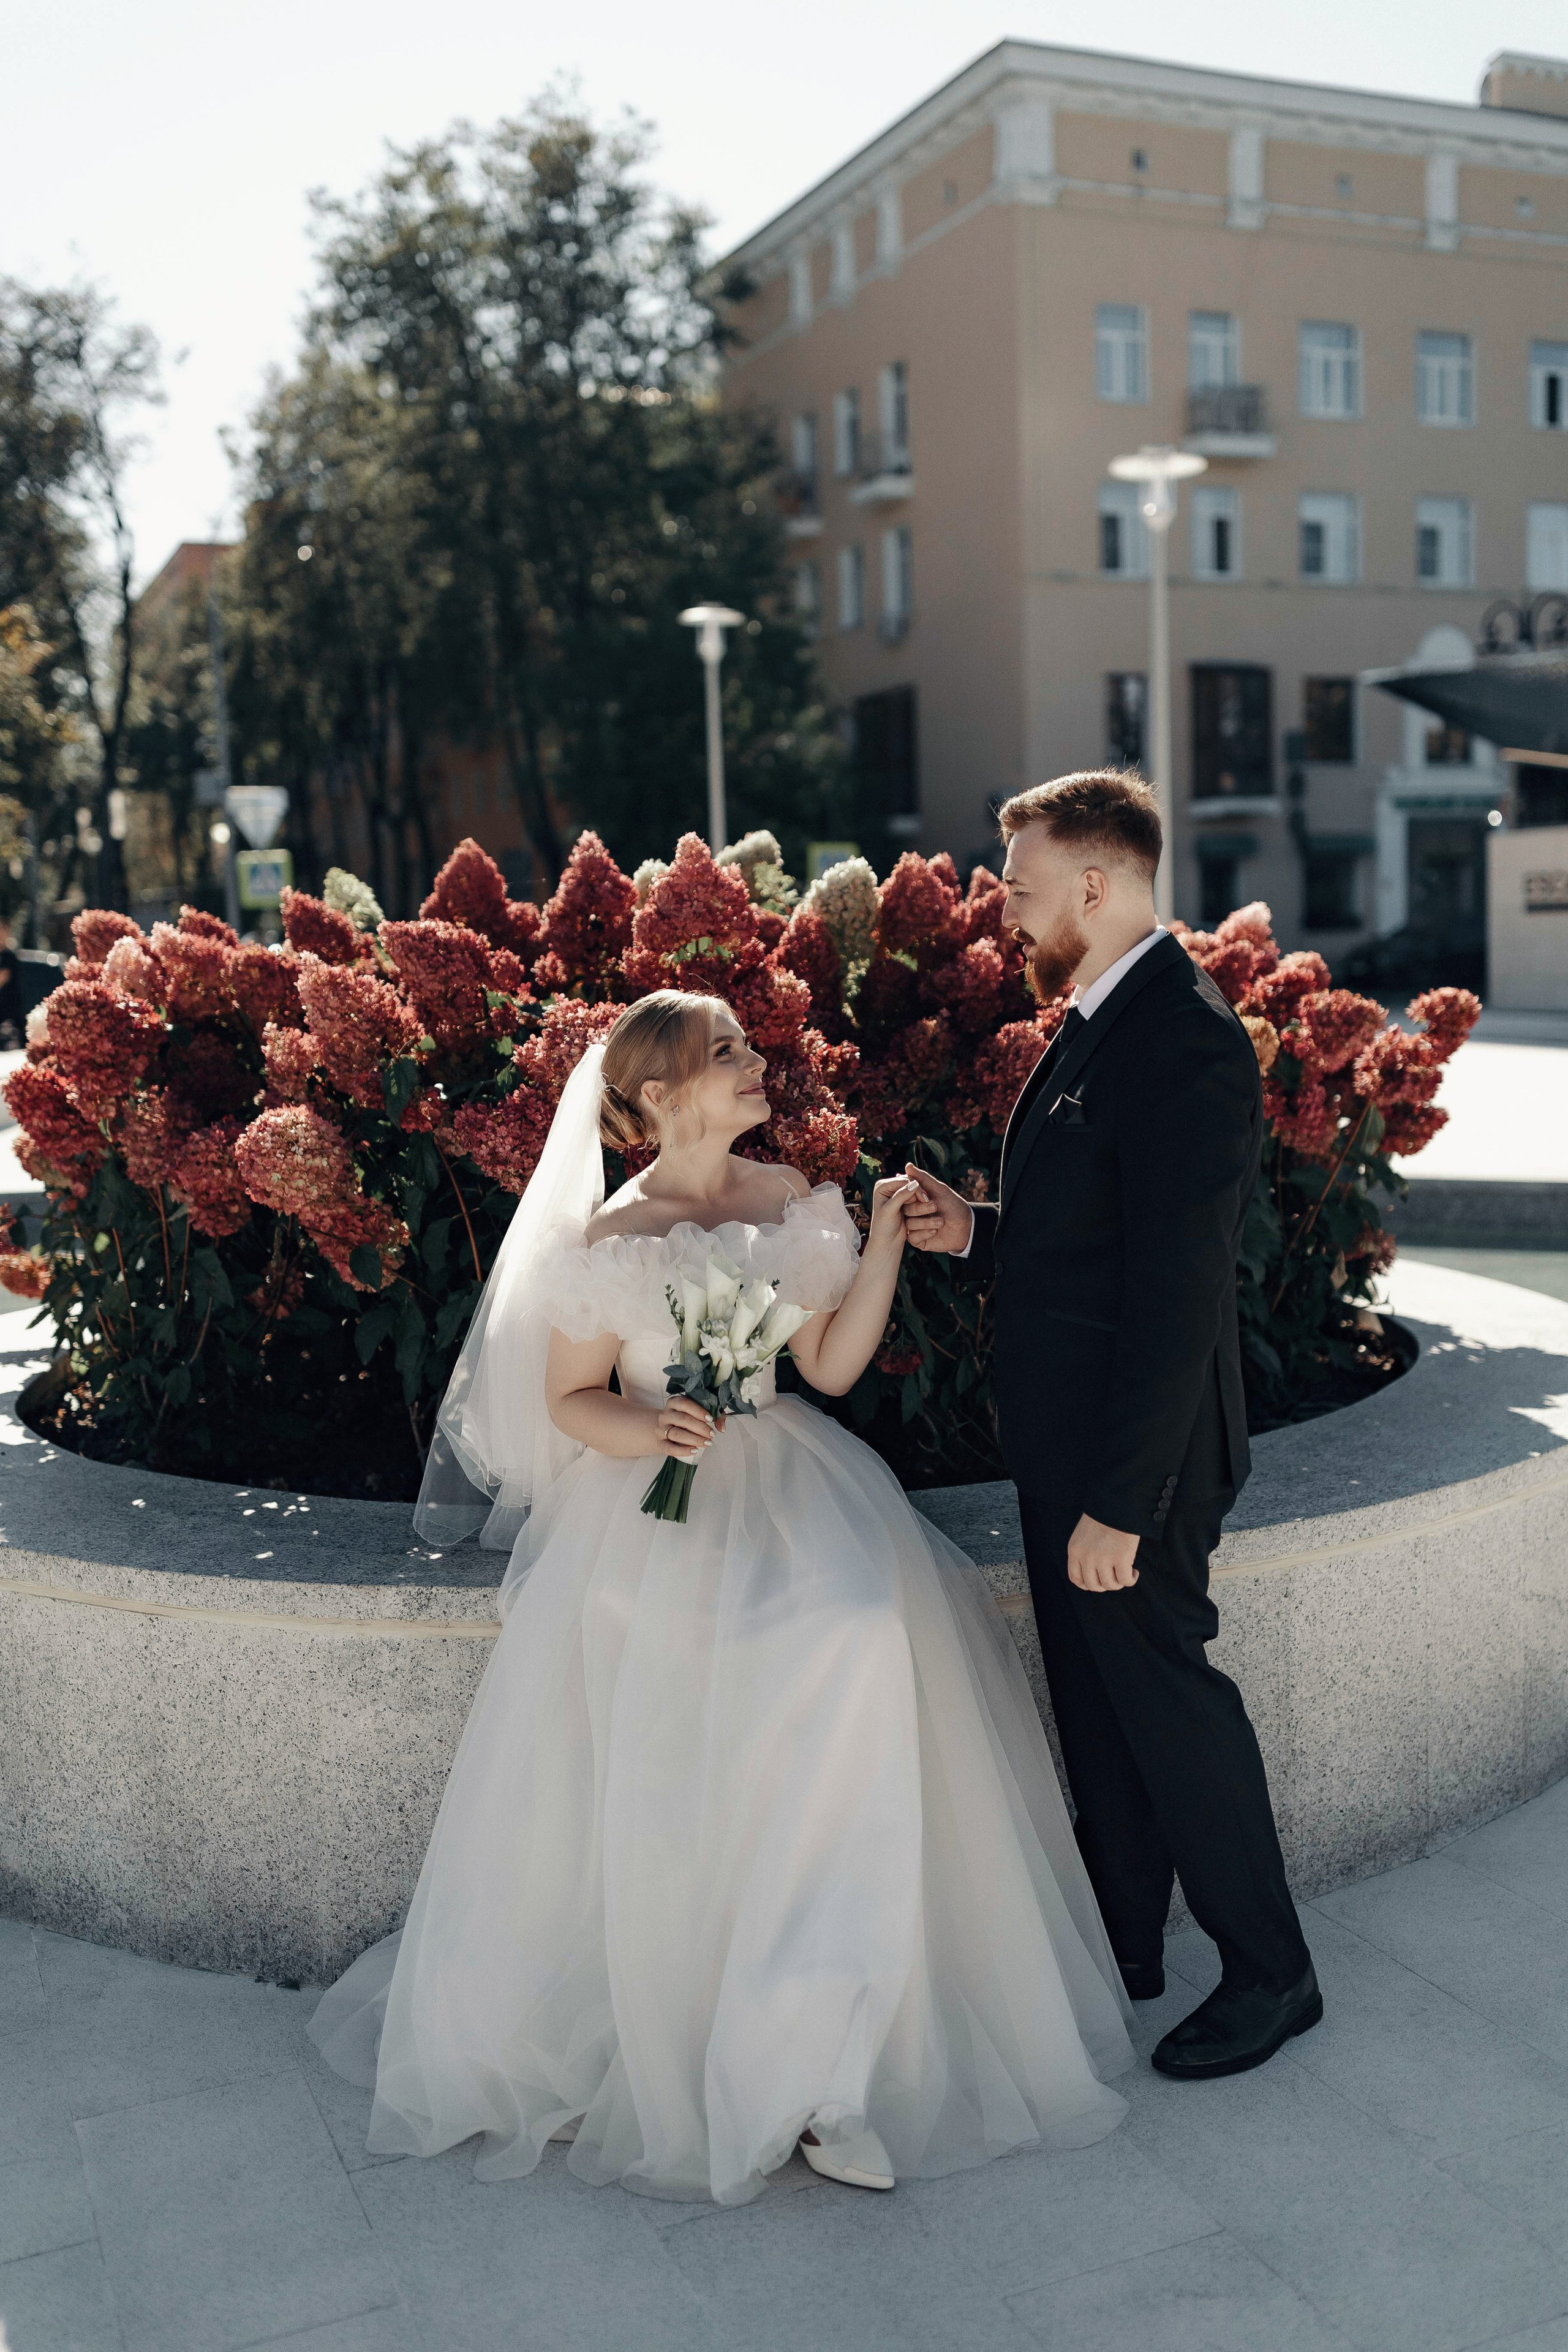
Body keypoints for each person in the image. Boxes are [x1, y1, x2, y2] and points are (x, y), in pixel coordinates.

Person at [309, 989, 1134, 2204]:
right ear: (657, 1094)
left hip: (795, 1484)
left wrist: (886, 1245)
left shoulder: (792, 1198)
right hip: (653, 1500)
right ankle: (700, 2020)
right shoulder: (604, 1236)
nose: (760, 1064)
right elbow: (570, 1403)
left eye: (750, 1046)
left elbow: (831, 1367)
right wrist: (653, 1423)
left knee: (852, 1634)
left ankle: (826, 2067)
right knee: (680, 1679)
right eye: (728, 1054)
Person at [903, 771, 1321, 2082]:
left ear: (1094, 883)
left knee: (1166, 1706)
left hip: (1128, 1467)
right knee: (1095, 1709)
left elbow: (1176, 1293)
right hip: (1068, 1447)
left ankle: (1270, 1972)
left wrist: (1119, 1505)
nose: (1005, 912)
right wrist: (972, 1230)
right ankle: (1126, 1945)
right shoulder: (1098, 1016)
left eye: (1020, 888)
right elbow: (1093, 1241)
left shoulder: (1178, 1035)